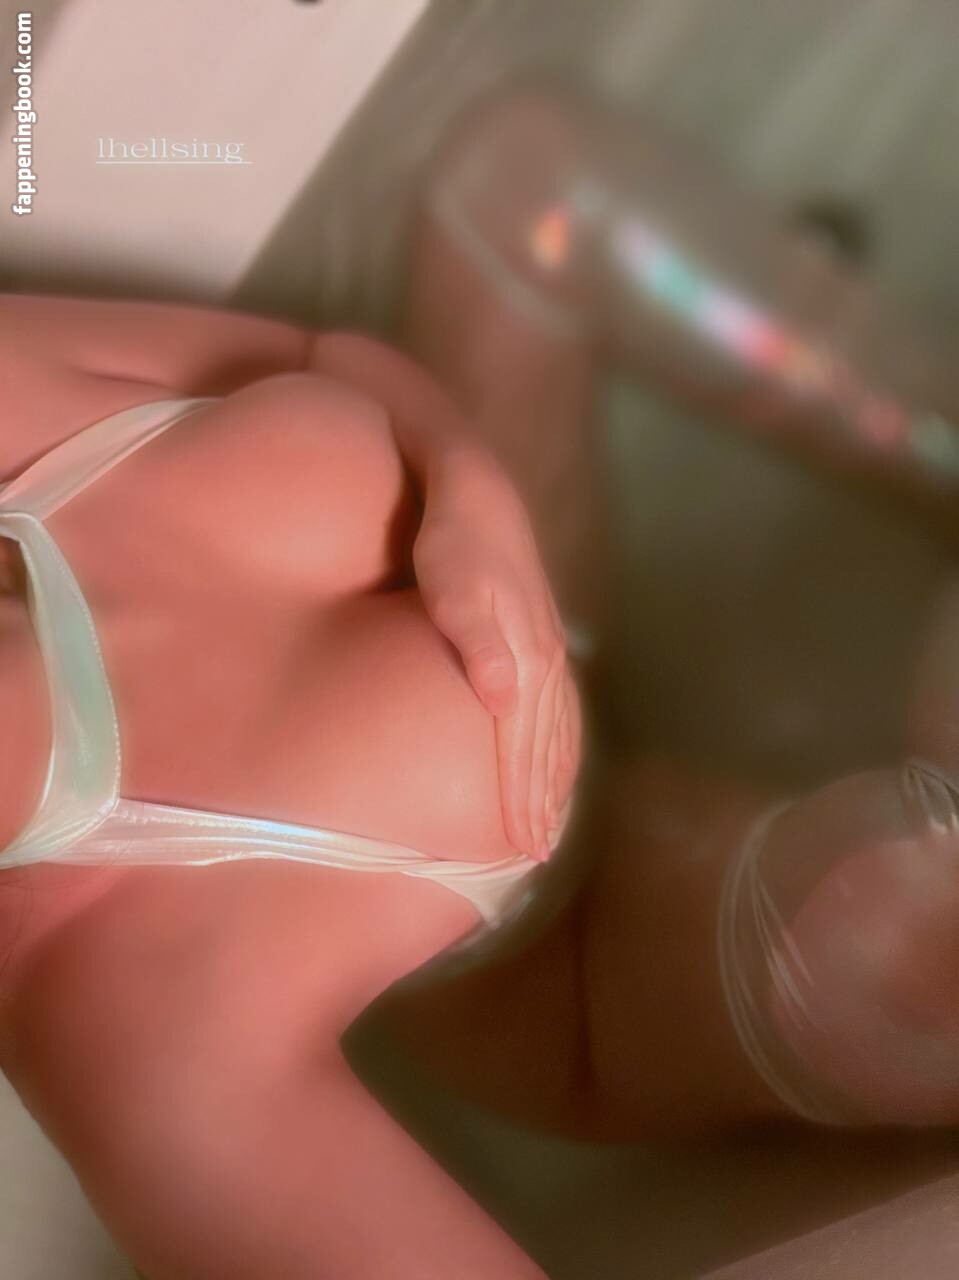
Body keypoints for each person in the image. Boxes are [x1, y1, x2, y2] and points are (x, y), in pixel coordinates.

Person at [0, 290, 581, 1280]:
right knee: (860, 929)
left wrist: (477, 497)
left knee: (518, 207)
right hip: (562, 995)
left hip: (587, 564)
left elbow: (323, 349)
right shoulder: (130, 1023)